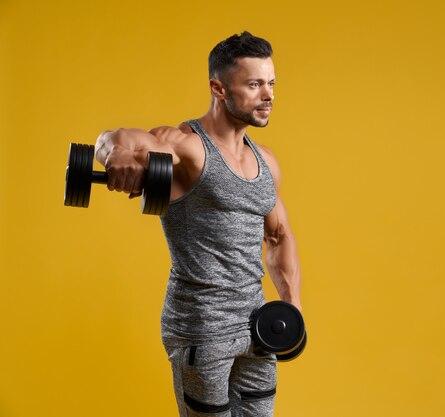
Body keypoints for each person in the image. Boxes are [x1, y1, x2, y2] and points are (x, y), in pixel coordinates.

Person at [94, 31, 301, 417]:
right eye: (254, 84)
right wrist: (118, 153)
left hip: (257, 327)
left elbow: (278, 235)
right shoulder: (187, 146)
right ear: (218, 89)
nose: (269, 95)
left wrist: (291, 304)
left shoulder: (267, 162)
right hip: (202, 329)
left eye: (271, 83)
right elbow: (116, 139)